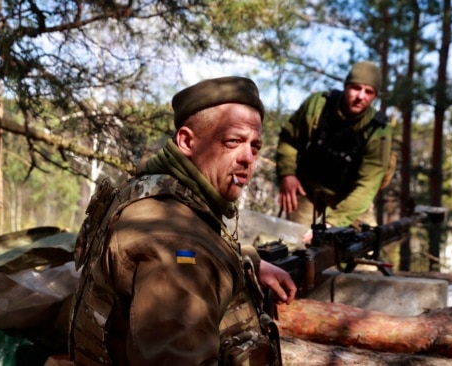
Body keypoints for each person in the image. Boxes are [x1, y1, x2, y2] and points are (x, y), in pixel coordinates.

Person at [70, 76, 297, 365]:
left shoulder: (151, 189)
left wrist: (250, 261)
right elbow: (182, 253)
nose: (247, 158)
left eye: (255, 146)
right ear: (187, 141)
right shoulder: (174, 245)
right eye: (233, 141)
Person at [275, 61, 392, 242]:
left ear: (375, 96)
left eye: (368, 92)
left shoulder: (379, 130)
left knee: (366, 253)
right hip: (309, 190)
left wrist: (333, 223)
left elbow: (367, 186)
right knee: (296, 248)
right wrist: (287, 174)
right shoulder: (318, 106)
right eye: (356, 88)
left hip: (351, 199)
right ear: (345, 87)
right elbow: (289, 140)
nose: (361, 96)